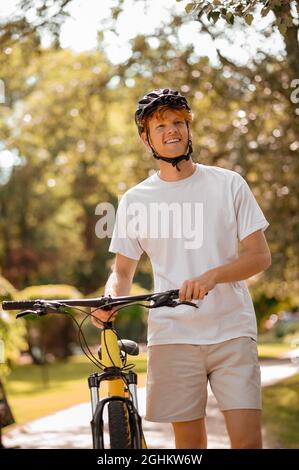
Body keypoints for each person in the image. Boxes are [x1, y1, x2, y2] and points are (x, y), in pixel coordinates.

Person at [92, 88, 271, 449]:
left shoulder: (228, 184)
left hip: (231, 330)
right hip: (172, 335)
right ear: (146, 138)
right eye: (160, 126)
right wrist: (111, 298)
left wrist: (213, 276)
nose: (172, 130)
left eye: (178, 122)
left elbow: (259, 256)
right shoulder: (135, 200)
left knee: (248, 443)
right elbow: (123, 272)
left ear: (188, 129)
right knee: (189, 448)